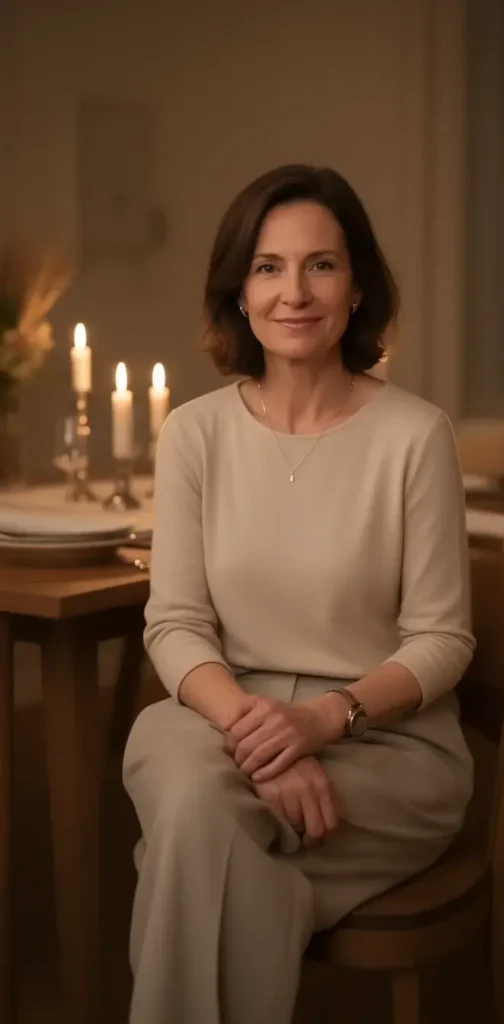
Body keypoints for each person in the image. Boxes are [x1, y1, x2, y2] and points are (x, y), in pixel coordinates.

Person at [123, 164, 476, 1024]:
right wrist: (258, 738)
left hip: (382, 741)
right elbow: (173, 622)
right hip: (216, 720)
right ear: (238, 293)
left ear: (357, 289)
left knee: (192, 840)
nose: (294, 291)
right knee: (199, 799)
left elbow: (443, 639)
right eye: (269, 266)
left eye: (321, 265)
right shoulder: (195, 433)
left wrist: (319, 723)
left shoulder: (415, 435)